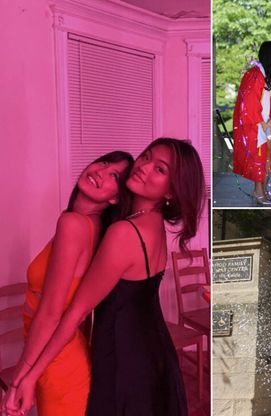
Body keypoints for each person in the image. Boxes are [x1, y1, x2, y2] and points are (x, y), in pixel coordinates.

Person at [5, 138, 206, 416]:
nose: (144, 167)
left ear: (171, 191)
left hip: (126, 357)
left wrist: (27, 376)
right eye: (146, 157)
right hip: (151, 350)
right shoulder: (149, 222)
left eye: (159, 169)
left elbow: (77, 311)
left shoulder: (125, 231)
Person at [1, 151, 133, 416]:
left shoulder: (73, 224)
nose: (100, 171)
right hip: (60, 354)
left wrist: (18, 379)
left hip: (58, 365)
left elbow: (50, 314)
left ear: (115, 197)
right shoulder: (91, 225)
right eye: (104, 163)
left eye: (114, 175)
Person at [233, 41, 271, 206]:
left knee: (268, 154)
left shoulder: (269, 74)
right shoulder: (254, 74)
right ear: (270, 55)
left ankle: (263, 189)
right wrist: (261, 122)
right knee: (259, 156)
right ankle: (258, 190)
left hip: (267, 122)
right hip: (256, 123)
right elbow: (249, 101)